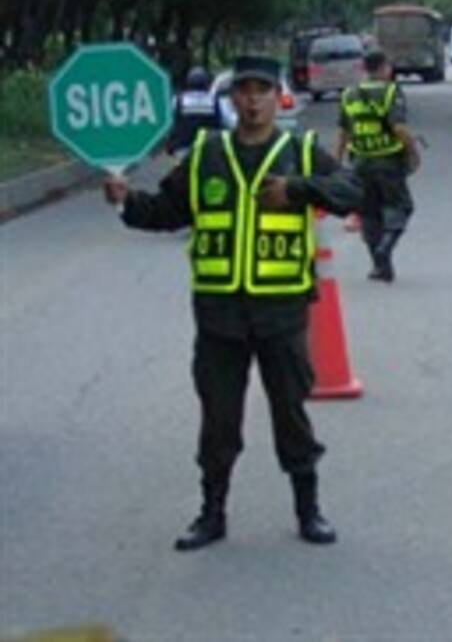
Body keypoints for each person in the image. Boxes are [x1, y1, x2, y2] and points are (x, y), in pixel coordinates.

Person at [102, 55, 362, 550]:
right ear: (232, 98)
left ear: (277, 97)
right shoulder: (206, 154)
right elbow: (167, 211)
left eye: (262, 90)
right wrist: (124, 201)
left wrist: (298, 190)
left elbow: (353, 191)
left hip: (281, 313)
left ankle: (308, 509)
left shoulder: (300, 152)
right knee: (218, 421)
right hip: (219, 316)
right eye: (244, 90)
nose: (253, 100)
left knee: (291, 416)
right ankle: (212, 513)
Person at [336, 51, 420, 282]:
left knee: (369, 214)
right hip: (388, 161)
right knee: (401, 207)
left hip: (360, 162)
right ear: (384, 68)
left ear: (364, 68)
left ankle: (380, 266)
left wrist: (337, 162)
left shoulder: (349, 94)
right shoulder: (391, 92)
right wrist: (413, 152)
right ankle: (386, 246)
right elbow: (399, 128)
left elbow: (343, 132)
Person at [165, 66, 220, 156]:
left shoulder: (178, 100)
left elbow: (168, 123)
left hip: (182, 149)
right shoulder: (214, 101)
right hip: (209, 150)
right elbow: (228, 122)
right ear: (207, 84)